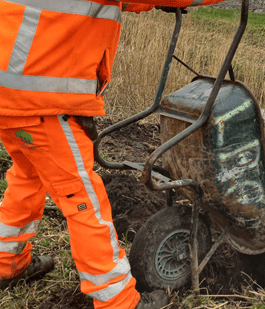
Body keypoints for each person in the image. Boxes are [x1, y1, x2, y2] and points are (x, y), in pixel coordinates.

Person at [0, 1, 201, 308]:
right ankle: (117, 299)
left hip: (10, 96)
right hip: (44, 103)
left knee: (28, 176)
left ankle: (6, 263)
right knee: (83, 201)